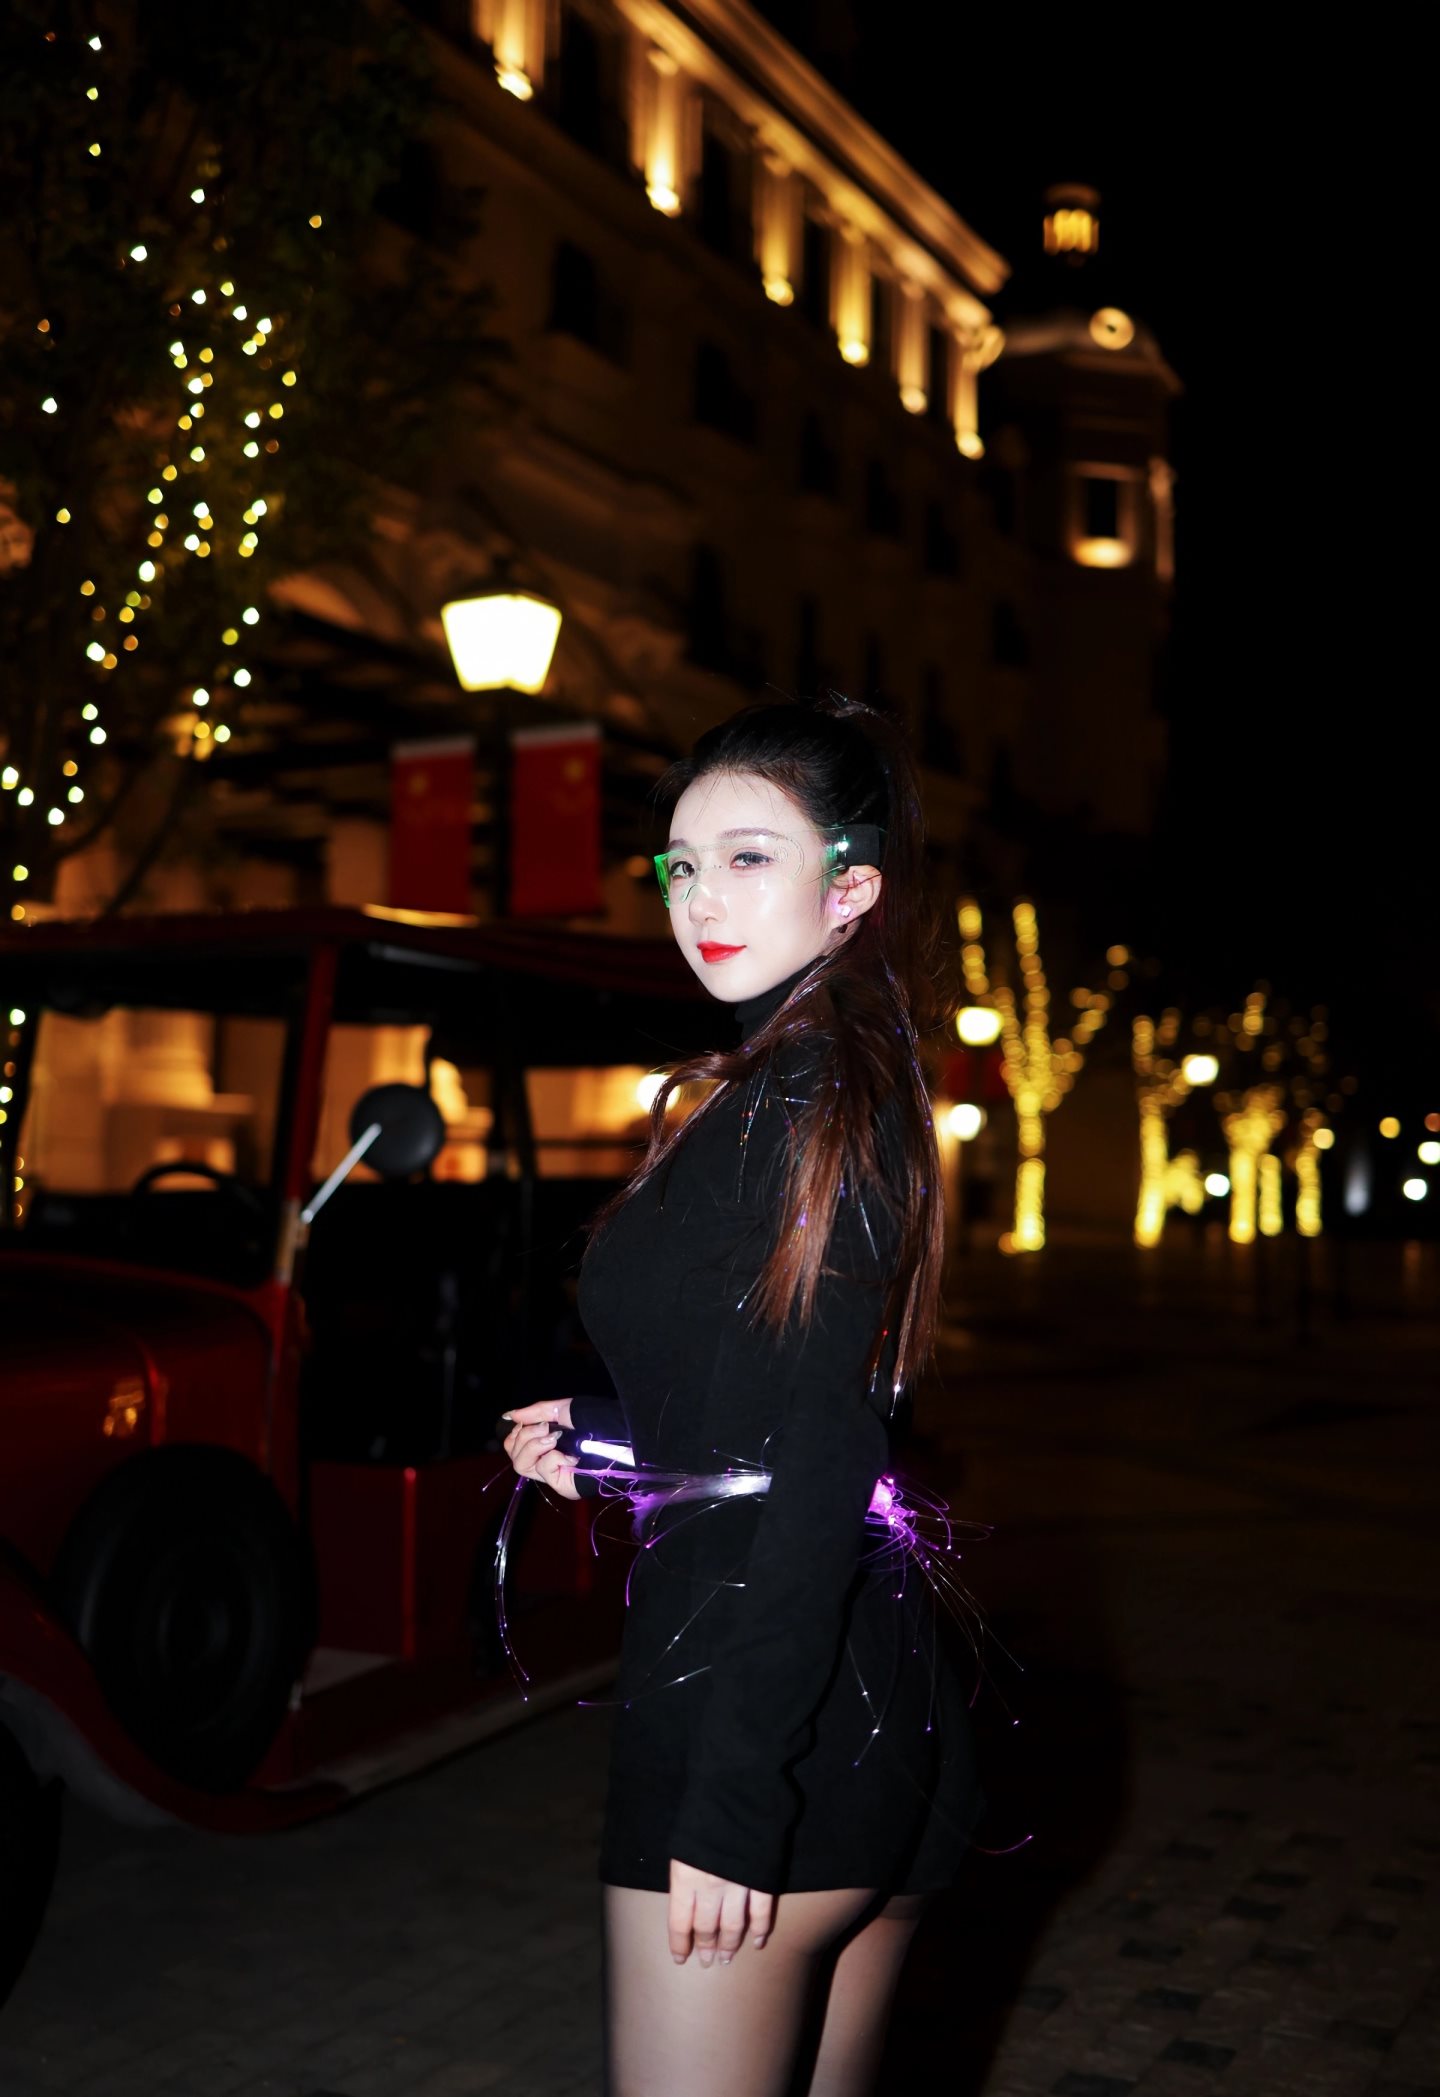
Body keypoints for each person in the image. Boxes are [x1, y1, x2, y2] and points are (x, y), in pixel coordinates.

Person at [503, 693, 983, 2097]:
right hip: (857, 1697)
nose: (700, 898)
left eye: (748, 857)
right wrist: (615, 1441)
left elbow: (829, 1449)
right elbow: (782, 1397)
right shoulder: (823, 1074)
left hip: (754, 1706)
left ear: (852, 886)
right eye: (680, 864)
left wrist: (733, 1796)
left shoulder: (811, 1093)